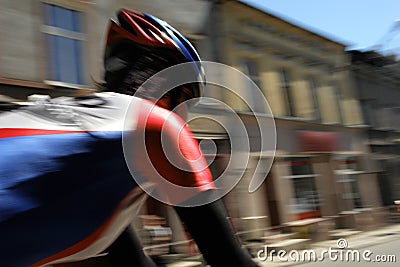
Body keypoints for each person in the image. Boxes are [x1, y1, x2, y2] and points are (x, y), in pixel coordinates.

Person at [0, 9, 260, 267]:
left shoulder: (76, 137)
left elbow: (129, 258)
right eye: (183, 103)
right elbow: (226, 256)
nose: (181, 118)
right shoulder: (154, 123)